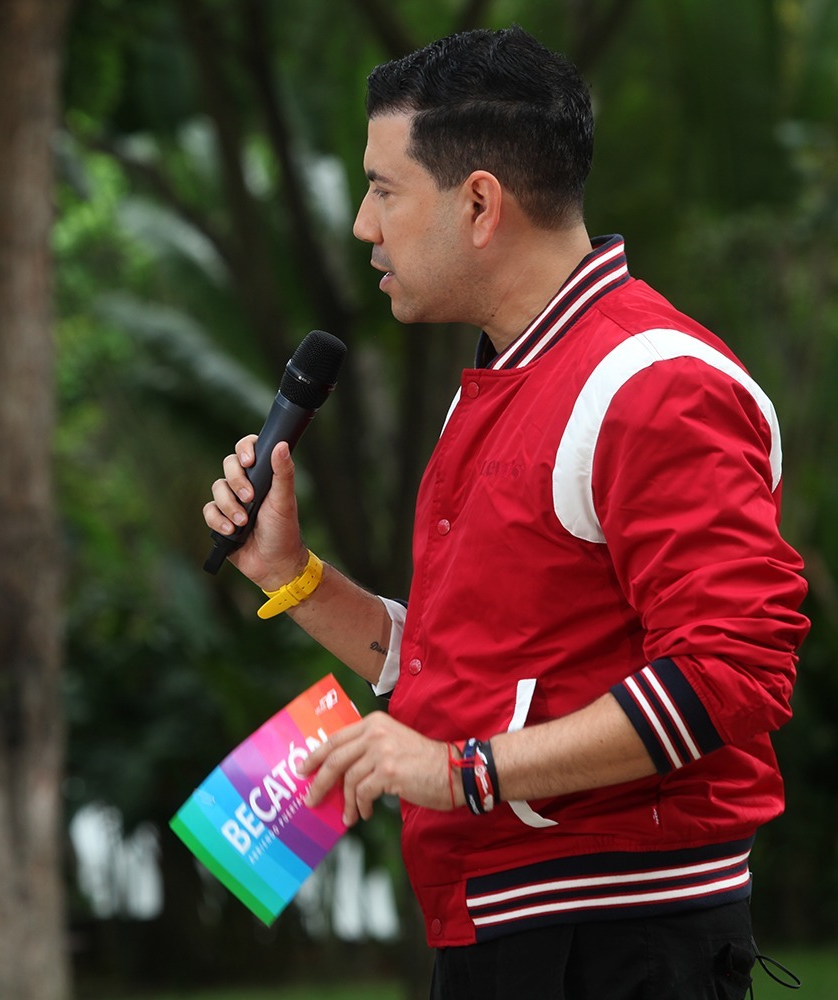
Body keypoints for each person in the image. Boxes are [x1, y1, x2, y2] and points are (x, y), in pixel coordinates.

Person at [204, 26, 808, 1000]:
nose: (361, 225)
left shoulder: (653, 382)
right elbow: (472, 672)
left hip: (614, 941)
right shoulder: (509, 378)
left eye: (383, 190)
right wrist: (294, 577)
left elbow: (733, 670)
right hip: (510, 929)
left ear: (480, 203)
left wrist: (464, 772)